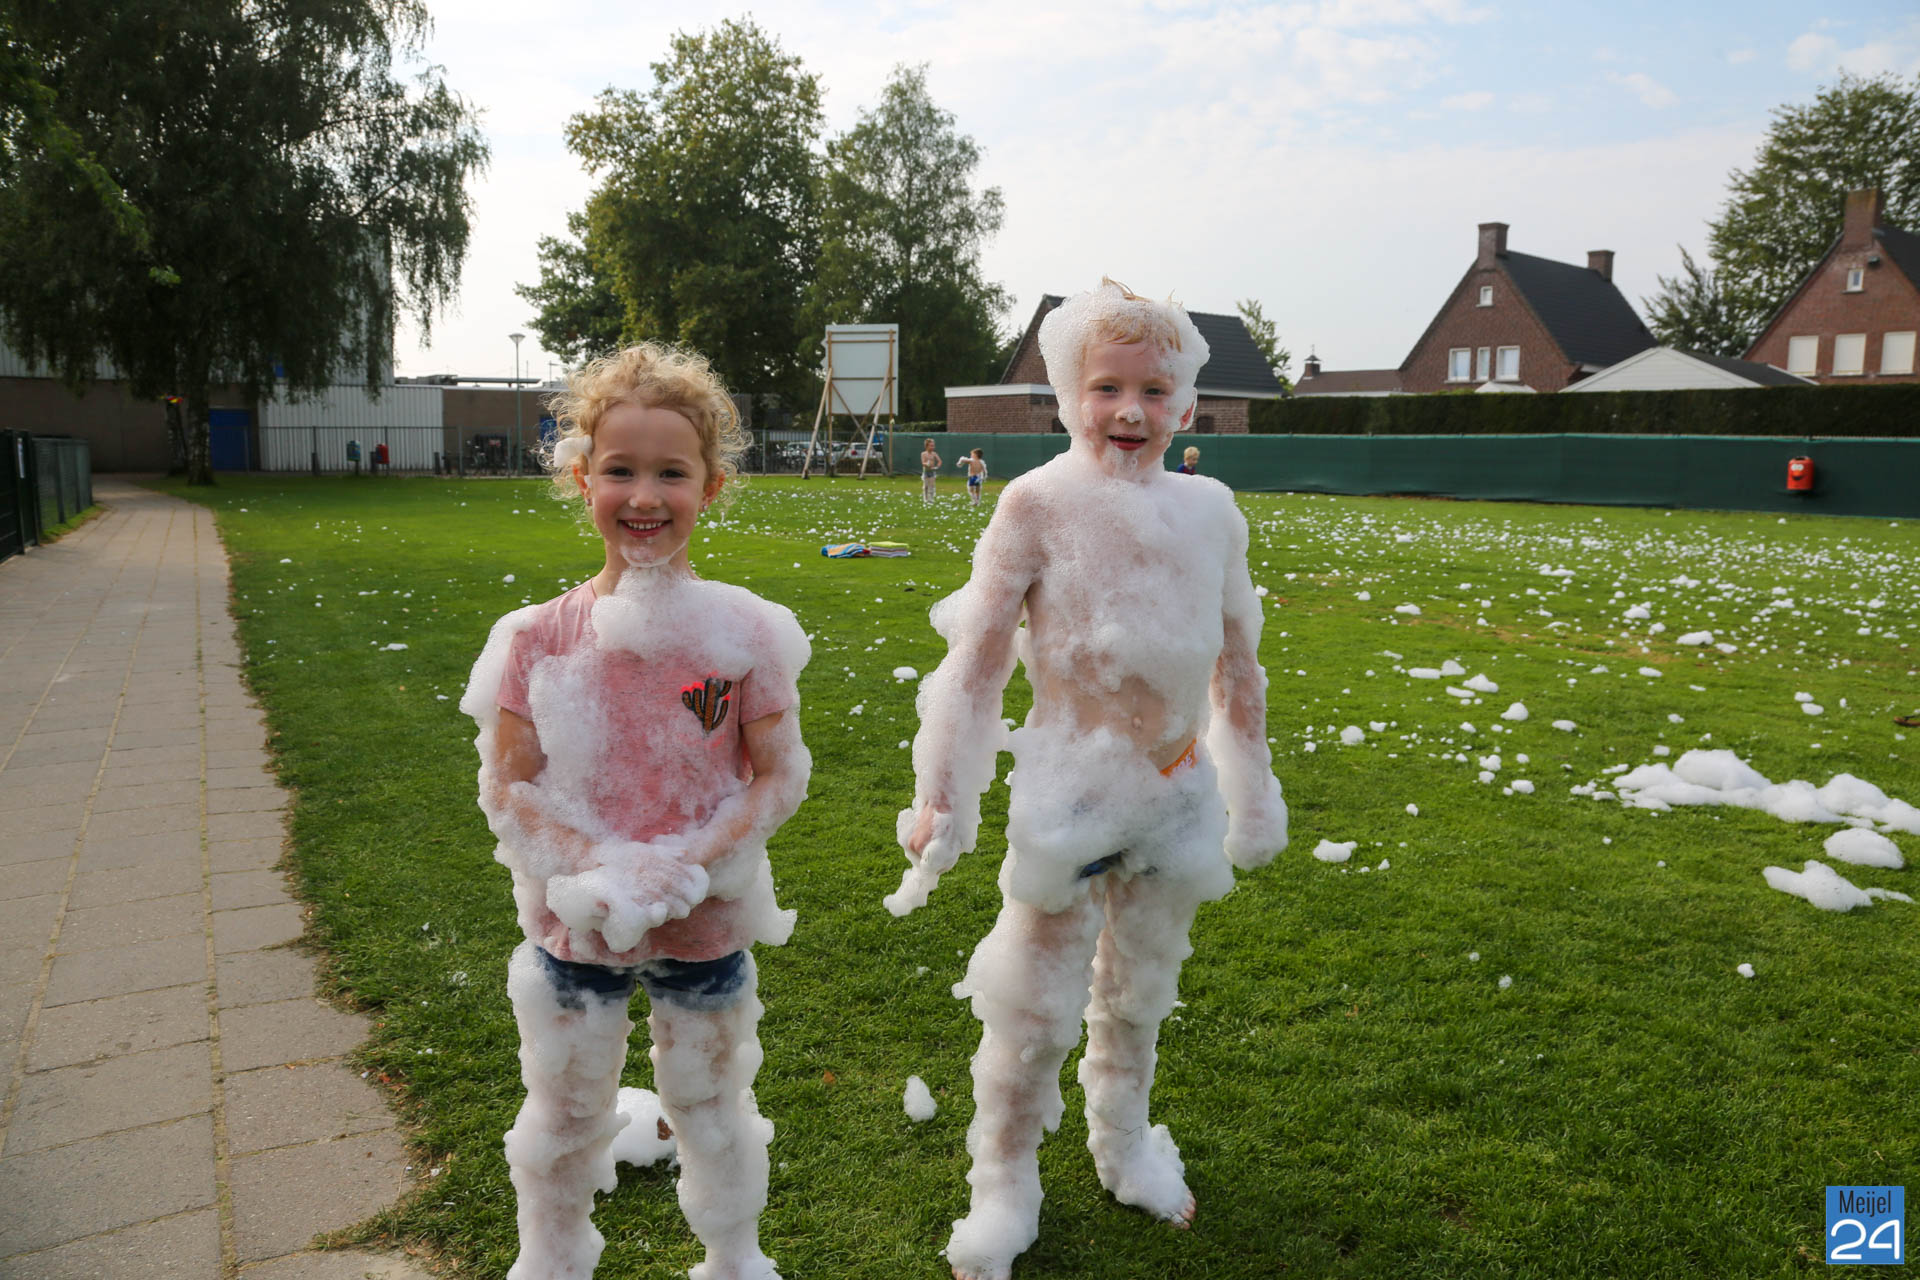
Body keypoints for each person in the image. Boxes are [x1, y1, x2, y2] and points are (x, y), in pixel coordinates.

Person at [887, 280, 1288, 1280]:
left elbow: (1238, 666)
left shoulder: (1212, 512)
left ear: (1185, 401)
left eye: (1154, 390)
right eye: (1107, 387)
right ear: (1069, 394)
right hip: (1068, 796)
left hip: (1175, 799)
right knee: (1032, 1011)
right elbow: (975, 663)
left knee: (1139, 995)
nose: (1129, 411)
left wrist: (1254, 791)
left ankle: (1125, 1145)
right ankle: (1004, 1182)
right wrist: (942, 791)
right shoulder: (1034, 503)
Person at [463, 342, 811, 1280]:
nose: (644, 495)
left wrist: (688, 862)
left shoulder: (743, 633)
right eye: (620, 470)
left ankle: (734, 1260)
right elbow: (509, 787)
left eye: (672, 472)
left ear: (712, 486)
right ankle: (551, 1263)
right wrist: (602, 866)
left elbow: (777, 776)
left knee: (712, 1107)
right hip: (575, 930)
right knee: (566, 1112)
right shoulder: (536, 639)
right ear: (583, 479)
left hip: (705, 922)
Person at [921, 438, 944, 504]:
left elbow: (940, 461)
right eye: (931, 446)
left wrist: (937, 467)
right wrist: (926, 464)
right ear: (926, 446)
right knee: (926, 486)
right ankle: (925, 498)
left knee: (931, 485)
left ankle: (931, 499)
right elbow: (923, 462)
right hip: (926, 471)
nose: (933, 447)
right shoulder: (923, 454)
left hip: (932, 471)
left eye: (933, 446)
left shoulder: (934, 454)